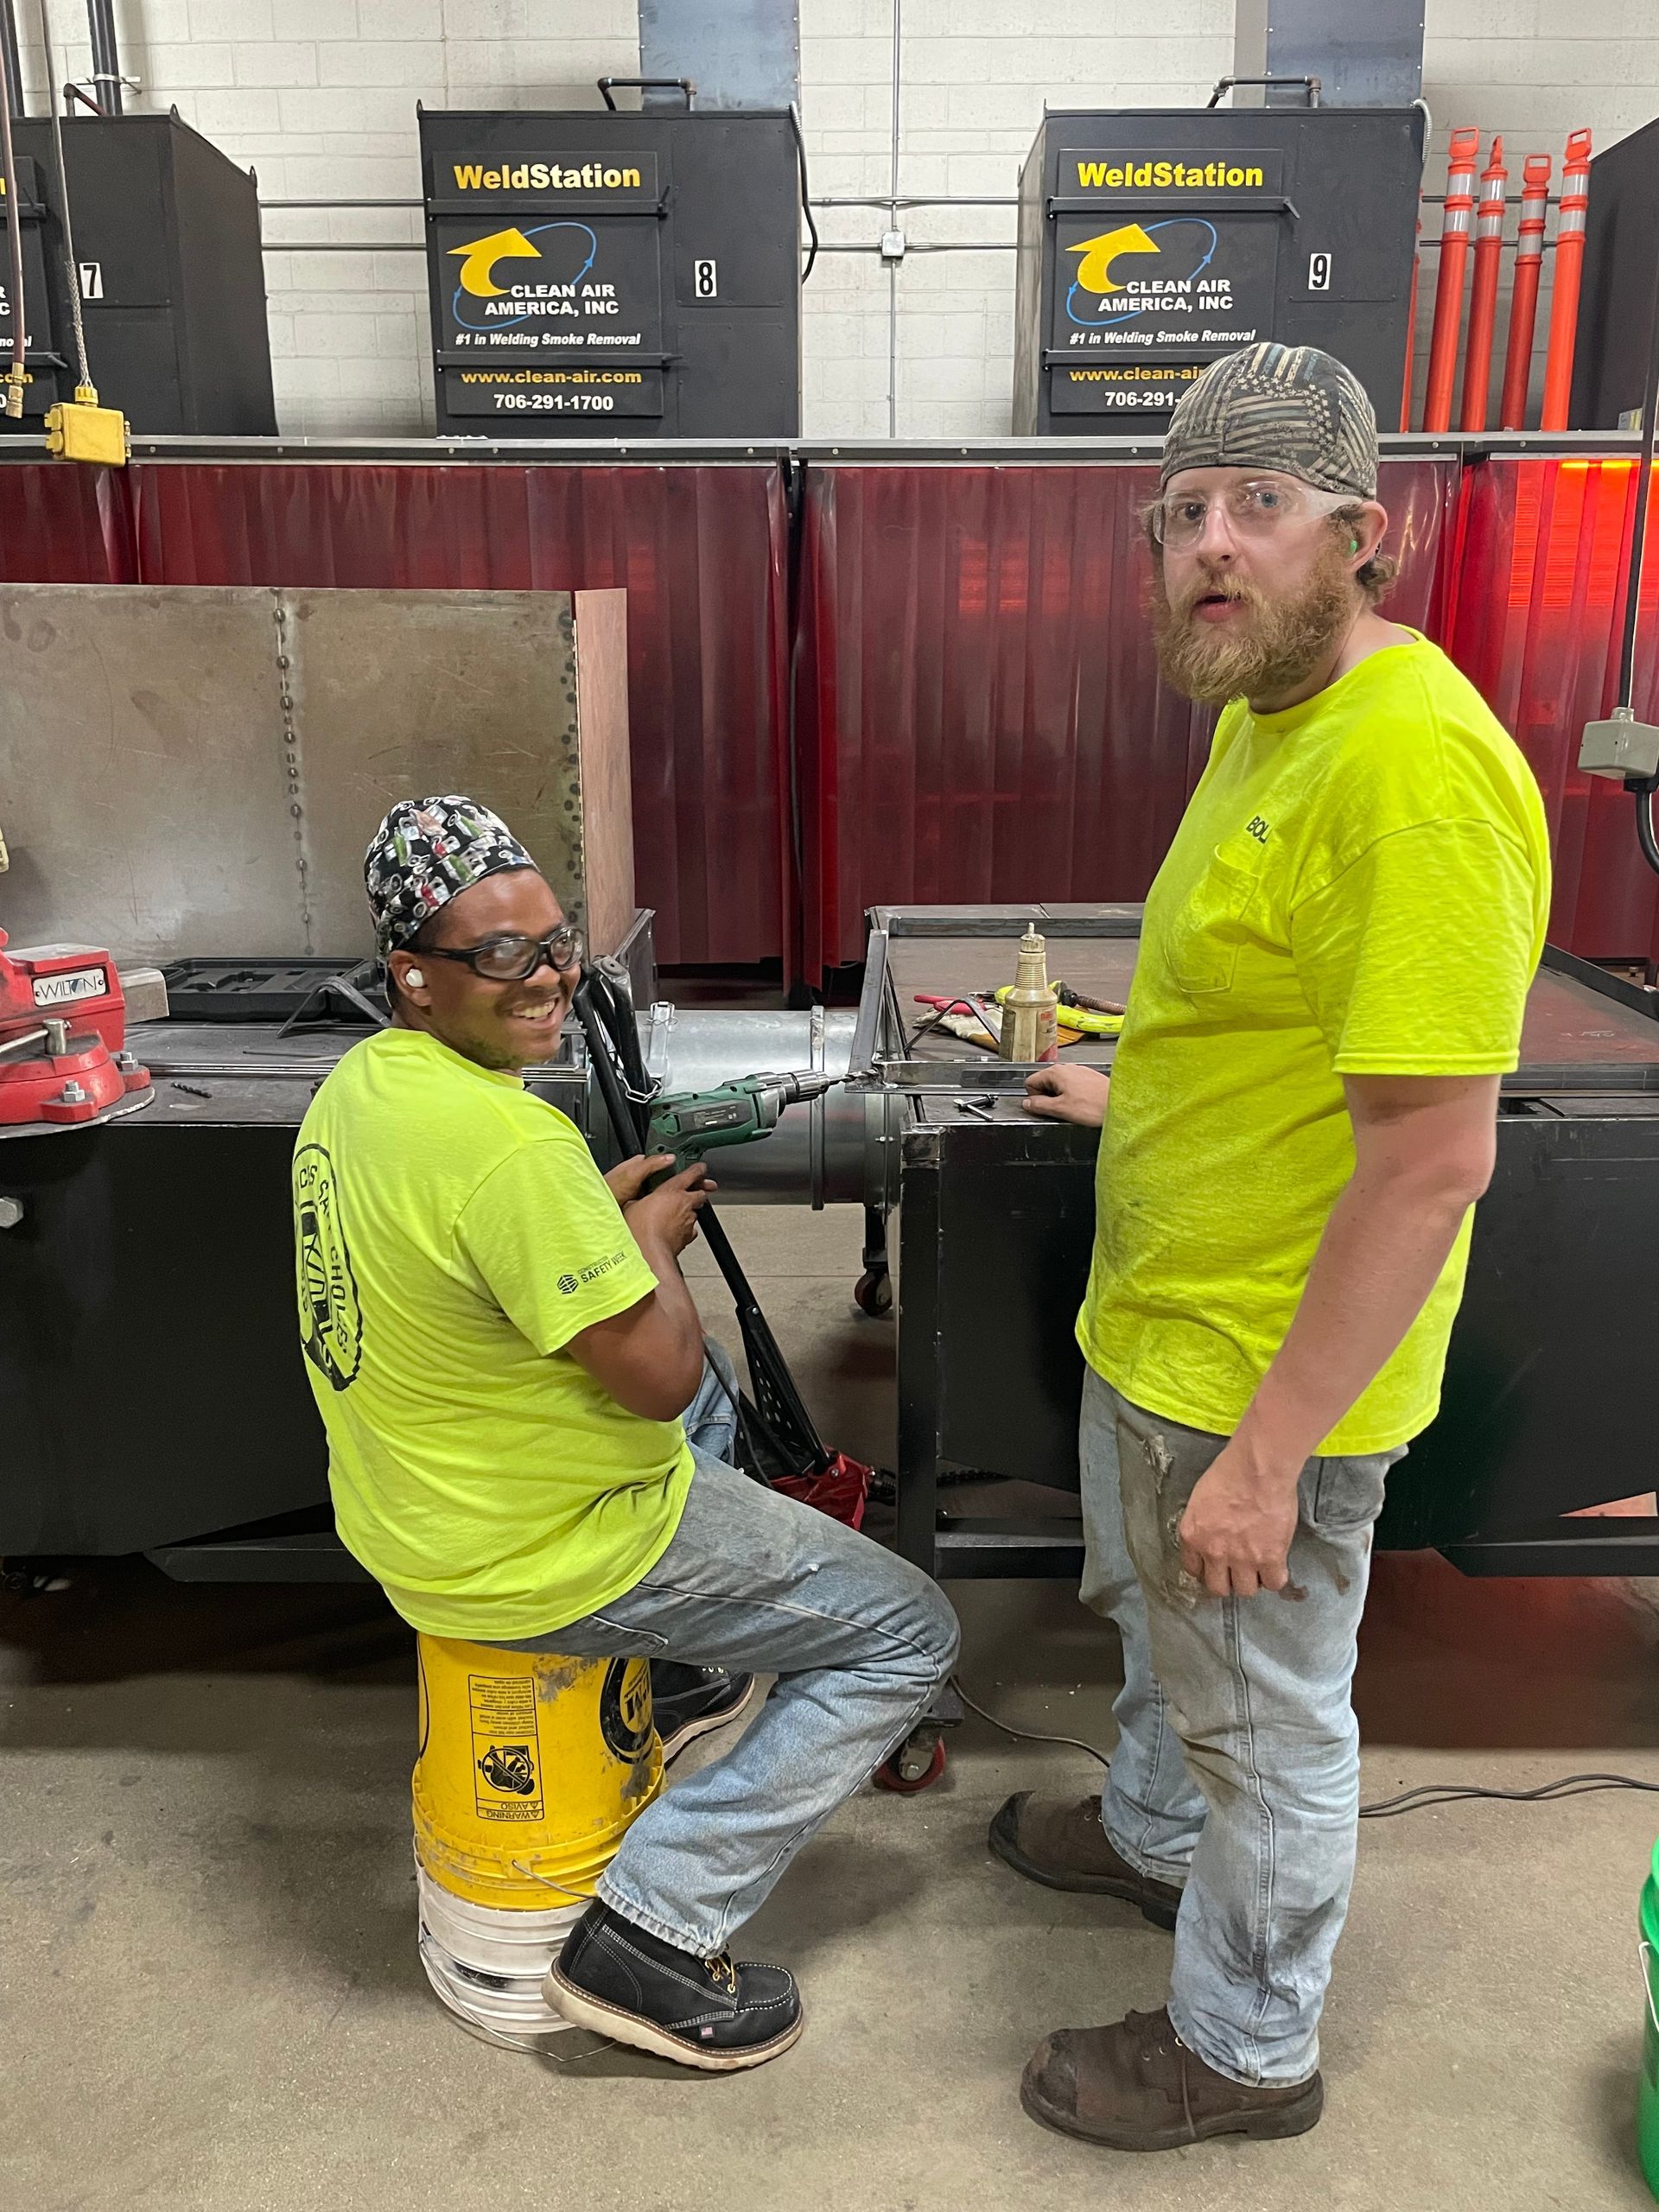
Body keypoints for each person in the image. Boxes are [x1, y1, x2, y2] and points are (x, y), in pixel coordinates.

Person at [991, 345, 1550, 2151]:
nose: (1211, 544)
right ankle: (1159, 1839)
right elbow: (1265, 1005)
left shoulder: (1411, 773)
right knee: (1174, 1657)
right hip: (1167, 1324)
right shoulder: (1264, 710)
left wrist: (1267, 1456)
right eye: (1183, 511)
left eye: (1261, 504)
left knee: (1269, 1719)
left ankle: (1244, 2046)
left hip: (1257, 1377)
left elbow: (1431, 1165)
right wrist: (1142, 1093)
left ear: (1362, 535)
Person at [292, 796, 959, 2072]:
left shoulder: (360, 1090)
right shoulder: (511, 1146)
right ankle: (654, 1928)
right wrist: (644, 1244)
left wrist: (587, 1229)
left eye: (556, 944)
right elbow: (656, 1380)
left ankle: (692, 1666)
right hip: (531, 1556)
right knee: (907, 1632)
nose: (546, 977)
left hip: (410, 1510)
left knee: (719, 1404)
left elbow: (467, 1264)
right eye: (500, 954)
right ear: (412, 975)